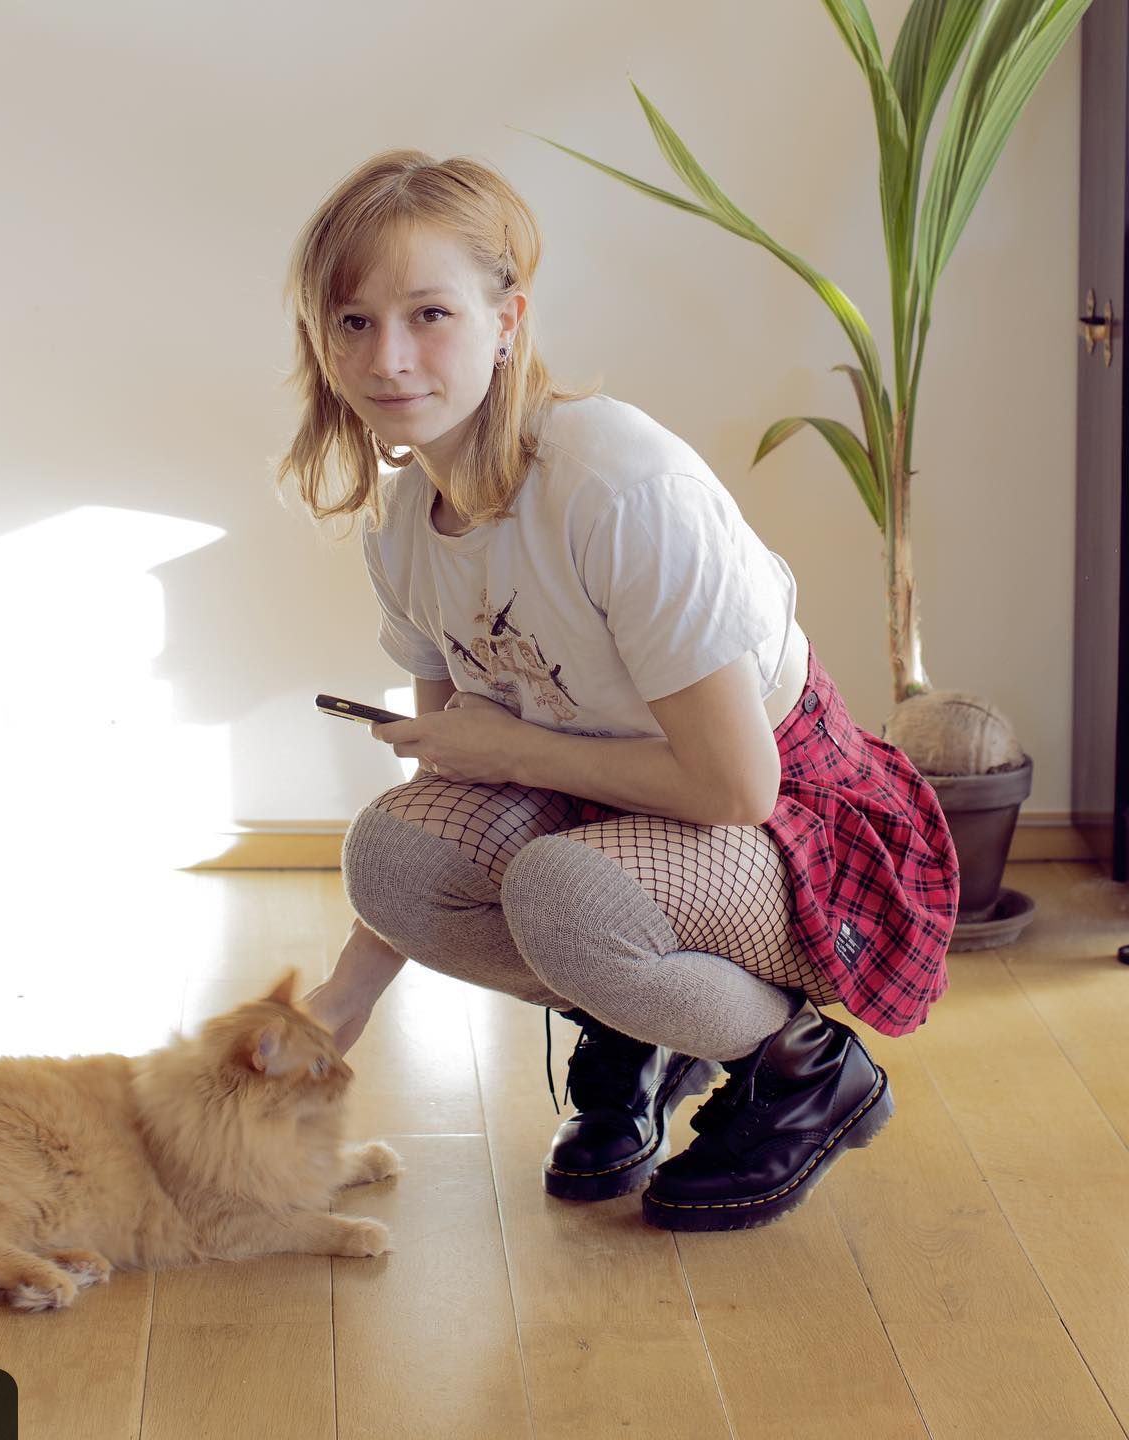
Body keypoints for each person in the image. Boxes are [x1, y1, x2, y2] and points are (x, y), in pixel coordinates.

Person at [275, 148, 959, 1231]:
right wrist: (341, 1000)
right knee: (392, 857)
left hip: (796, 824)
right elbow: (454, 777)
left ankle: (806, 1069)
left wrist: (513, 751)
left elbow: (736, 786)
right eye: (351, 322)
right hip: (610, 816)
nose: (387, 358)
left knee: (567, 896)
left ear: (507, 321)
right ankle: (638, 1022)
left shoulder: (615, 485)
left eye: (429, 315)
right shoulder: (407, 527)